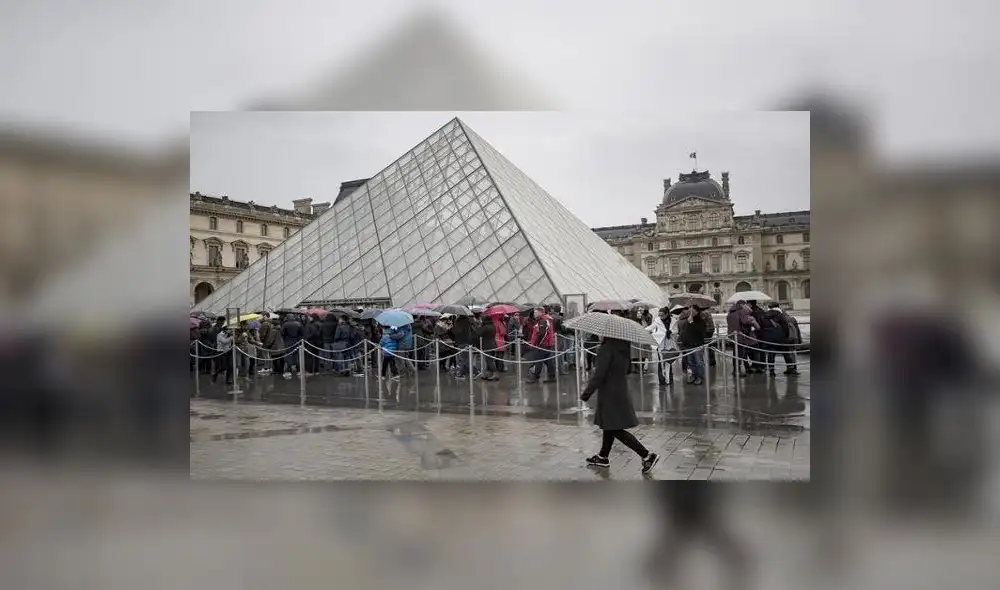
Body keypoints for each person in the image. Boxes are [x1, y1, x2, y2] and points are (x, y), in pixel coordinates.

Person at [580, 336, 660, 473]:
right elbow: (628, 369)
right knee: (609, 425)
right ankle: (603, 456)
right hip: (620, 391)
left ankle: (647, 455)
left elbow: (599, 375)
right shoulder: (624, 347)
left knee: (615, 428)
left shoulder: (606, 349)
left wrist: (587, 393)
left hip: (609, 393)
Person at [679, 305, 709, 385]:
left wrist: (692, 323)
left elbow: (700, 332)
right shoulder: (687, 320)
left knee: (698, 361)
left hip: (697, 344)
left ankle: (700, 376)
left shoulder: (701, 321)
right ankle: (694, 375)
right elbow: (684, 331)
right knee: (690, 362)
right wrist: (682, 340)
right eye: (689, 311)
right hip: (688, 344)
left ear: (697, 311)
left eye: (692, 311)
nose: (690, 312)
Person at [646, 308, 678, 385]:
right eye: (659, 315)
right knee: (661, 361)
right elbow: (650, 327)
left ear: (667, 314)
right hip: (660, 343)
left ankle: (669, 379)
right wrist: (641, 330)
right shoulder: (657, 321)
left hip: (670, 342)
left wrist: (671, 332)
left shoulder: (673, 321)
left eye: (662, 315)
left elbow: (676, 330)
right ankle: (662, 379)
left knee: (669, 361)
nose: (660, 317)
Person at [758, 302, 791, 376]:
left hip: (768, 337)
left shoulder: (764, 315)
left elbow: (761, 328)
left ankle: (771, 371)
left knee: (771, 354)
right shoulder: (779, 315)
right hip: (780, 337)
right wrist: (786, 336)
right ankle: (790, 368)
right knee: (786, 353)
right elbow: (785, 326)